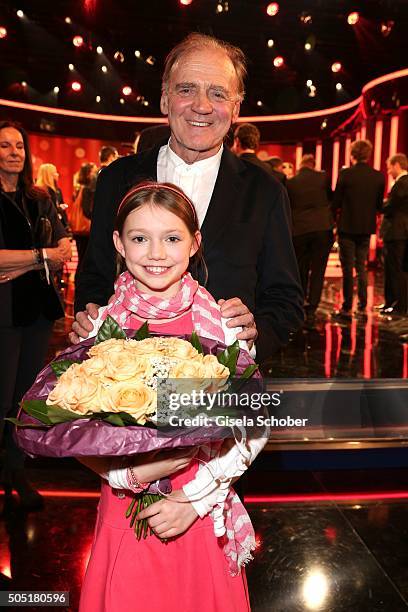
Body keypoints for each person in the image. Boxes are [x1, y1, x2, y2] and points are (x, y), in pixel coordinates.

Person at [78, 182, 267, 612]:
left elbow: (254, 427)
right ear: (118, 244)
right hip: (123, 507)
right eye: (140, 238)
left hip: (197, 505)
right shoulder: (98, 329)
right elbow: (73, 430)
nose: (156, 253)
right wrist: (130, 475)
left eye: (172, 238)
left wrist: (193, 499)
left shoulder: (223, 326)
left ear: (195, 243)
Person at [71, 33, 303, 363]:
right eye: (186, 89)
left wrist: (254, 336)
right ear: (165, 99)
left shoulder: (265, 191)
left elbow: (285, 298)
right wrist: (89, 318)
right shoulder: (116, 178)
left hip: (222, 392)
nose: (202, 105)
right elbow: (95, 274)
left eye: (218, 93)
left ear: (236, 109)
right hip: (124, 387)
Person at [0, 121, 71, 509]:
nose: (14, 152)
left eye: (19, 146)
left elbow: (63, 244)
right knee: (1, 399)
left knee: (25, 401)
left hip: (37, 312)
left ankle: (17, 473)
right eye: (5, 146)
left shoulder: (38, 197)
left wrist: (23, 263)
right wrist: (40, 257)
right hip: (4, 314)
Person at [332, 139, 385, 319]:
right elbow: (379, 206)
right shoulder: (378, 176)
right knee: (361, 266)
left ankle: (347, 306)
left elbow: (336, 202)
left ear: (352, 154)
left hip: (347, 227)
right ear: (369, 155)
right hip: (366, 227)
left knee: (347, 268)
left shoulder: (345, 174)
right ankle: (363, 304)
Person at [286, 154, 333, 324]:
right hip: (322, 228)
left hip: (300, 230)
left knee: (300, 268)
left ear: (300, 165)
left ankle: (301, 300)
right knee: (319, 269)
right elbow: (330, 199)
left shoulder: (291, 182)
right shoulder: (322, 178)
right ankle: (313, 306)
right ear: (313, 165)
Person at [380, 153, 408, 315]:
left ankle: (397, 304)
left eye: (390, 167)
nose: (389, 171)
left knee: (395, 269)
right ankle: (394, 302)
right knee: (399, 268)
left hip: (397, 232)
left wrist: (379, 205)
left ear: (397, 165)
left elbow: (392, 206)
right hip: (401, 232)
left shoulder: (402, 183)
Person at [70, 162, 97, 280]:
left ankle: (78, 285)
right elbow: (86, 210)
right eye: (94, 171)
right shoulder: (86, 189)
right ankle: (80, 286)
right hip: (85, 230)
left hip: (78, 230)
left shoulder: (78, 188)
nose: (96, 174)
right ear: (88, 174)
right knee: (84, 261)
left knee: (82, 259)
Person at [36, 163, 69, 230]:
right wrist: (60, 208)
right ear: (49, 175)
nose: (57, 174)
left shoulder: (57, 190)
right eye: (55, 172)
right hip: (49, 227)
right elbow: (47, 210)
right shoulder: (42, 191)